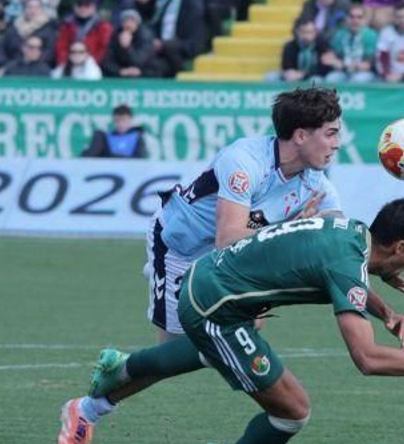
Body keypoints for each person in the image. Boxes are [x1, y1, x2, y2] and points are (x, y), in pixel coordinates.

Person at [55, 199, 404, 444]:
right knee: (293, 412)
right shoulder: (347, 264)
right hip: (216, 307)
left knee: (212, 352)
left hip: (209, 278)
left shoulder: (350, 231)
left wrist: (382, 308)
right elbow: (368, 359)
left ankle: (107, 384)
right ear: (398, 247)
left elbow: (344, 275)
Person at [143, 88, 351, 341]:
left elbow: (340, 232)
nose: (337, 143)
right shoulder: (244, 161)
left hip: (230, 254)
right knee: (175, 347)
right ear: (300, 135)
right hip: (180, 245)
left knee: (245, 329)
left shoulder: (315, 179)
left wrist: (383, 262)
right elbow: (228, 237)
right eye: (330, 134)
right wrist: (294, 231)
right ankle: (120, 367)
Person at [81, 104, 148, 158]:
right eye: (117, 121)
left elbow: (139, 160)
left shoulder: (138, 138)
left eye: (124, 120)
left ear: (130, 120)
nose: (120, 124)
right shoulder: (106, 138)